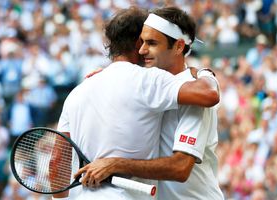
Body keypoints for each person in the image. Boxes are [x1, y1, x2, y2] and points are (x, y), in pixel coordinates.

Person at [54, 6, 219, 200]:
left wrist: (204, 72)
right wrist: (110, 77)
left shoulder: (191, 92)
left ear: (179, 47)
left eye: (151, 43)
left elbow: (181, 168)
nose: (142, 50)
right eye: (141, 42)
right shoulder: (144, 83)